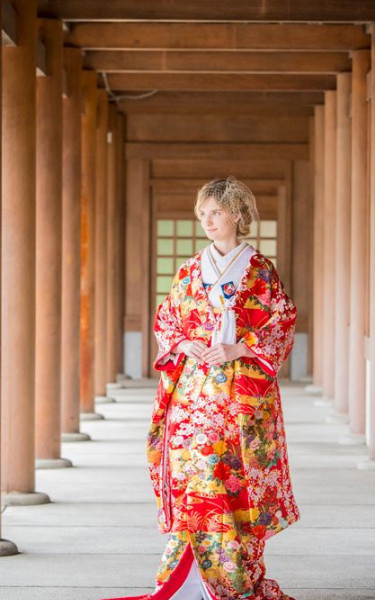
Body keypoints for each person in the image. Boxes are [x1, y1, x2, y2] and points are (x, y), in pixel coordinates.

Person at [101, 176, 299, 600]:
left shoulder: (260, 271)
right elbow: (167, 318)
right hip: (193, 392)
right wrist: (183, 341)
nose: (208, 221)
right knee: (195, 477)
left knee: (233, 479)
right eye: (203, 214)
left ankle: (233, 578)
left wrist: (238, 348)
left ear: (238, 215)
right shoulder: (191, 268)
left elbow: (279, 322)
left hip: (240, 395)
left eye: (217, 212)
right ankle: (188, 581)